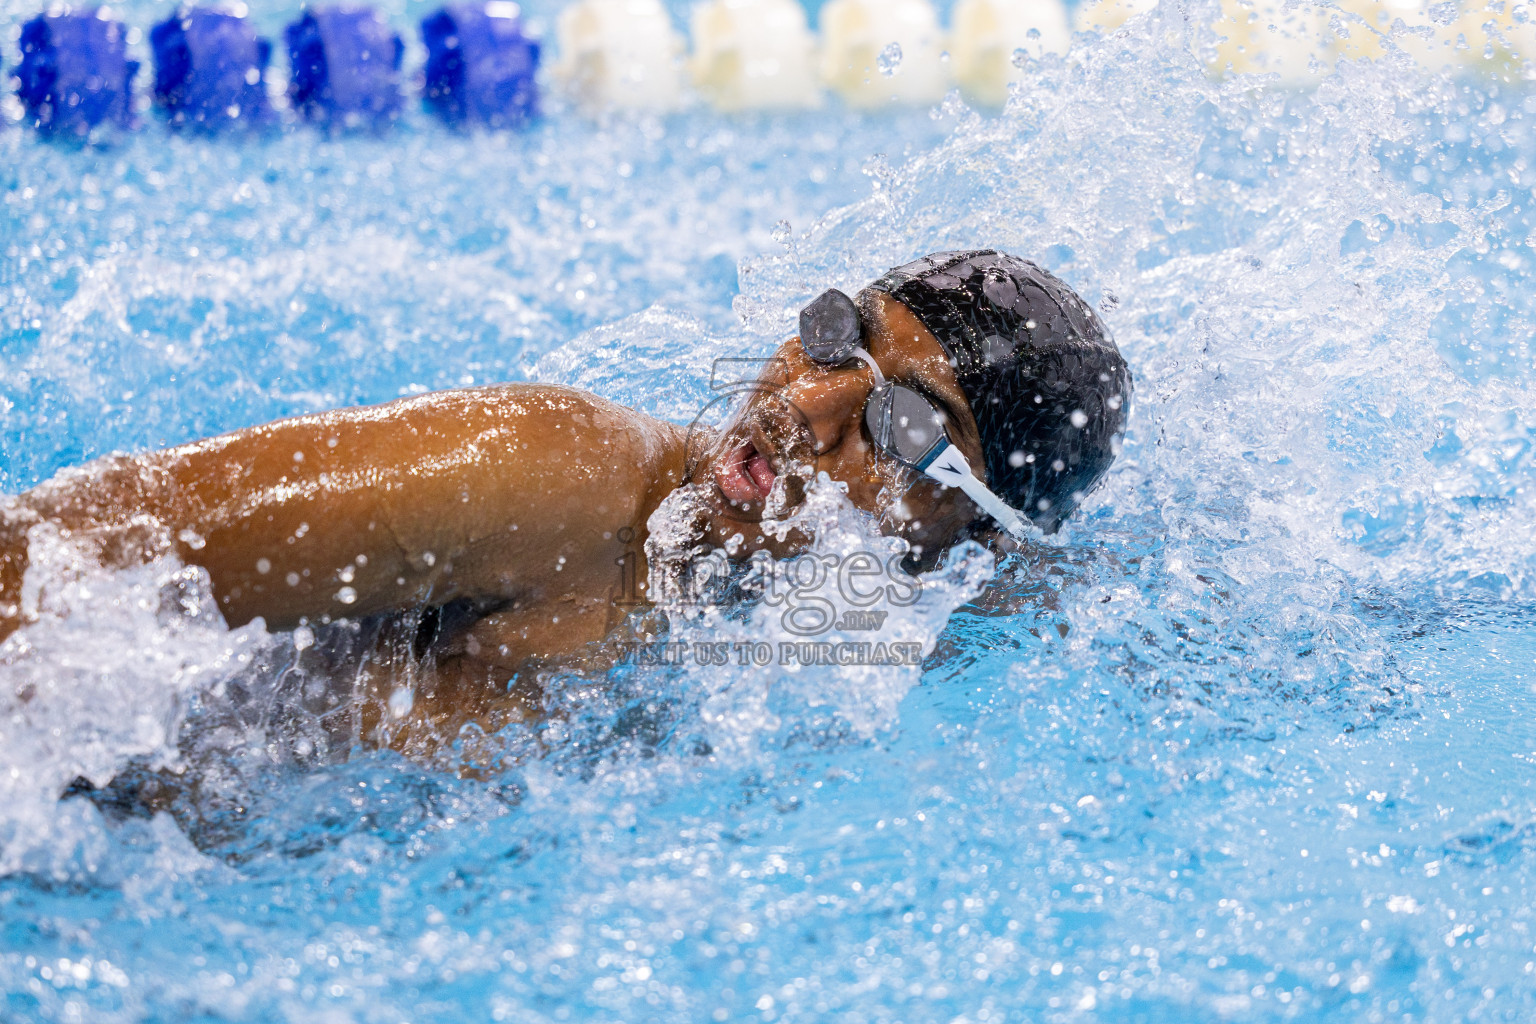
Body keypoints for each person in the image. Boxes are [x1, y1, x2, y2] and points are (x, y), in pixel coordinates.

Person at [0, 250, 1131, 753]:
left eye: (906, 425)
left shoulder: (813, 648)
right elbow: (61, 554)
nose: (808, 399)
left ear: (962, 531)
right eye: (841, 333)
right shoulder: (558, 479)